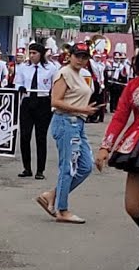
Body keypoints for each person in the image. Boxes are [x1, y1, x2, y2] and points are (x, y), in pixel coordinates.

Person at [96, 41, 139, 270]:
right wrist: (105, 146)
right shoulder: (134, 84)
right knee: (132, 206)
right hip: (134, 146)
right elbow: (120, 116)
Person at [35, 43, 100, 225]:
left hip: (78, 122)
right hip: (66, 121)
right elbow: (55, 101)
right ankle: (62, 209)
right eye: (77, 55)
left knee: (85, 166)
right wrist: (82, 109)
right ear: (70, 56)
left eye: (84, 57)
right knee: (68, 167)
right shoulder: (64, 73)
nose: (81, 60)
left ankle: (52, 195)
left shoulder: (83, 74)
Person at [14, 42, 59, 180]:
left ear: (41, 54)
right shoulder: (23, 67)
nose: (32, 56)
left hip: (43, 102)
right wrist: (20, 88)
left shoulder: (51, 68)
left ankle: (40, 170)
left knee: (41, 137)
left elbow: (55, 85)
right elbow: (17, 82)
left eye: (35, 53)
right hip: (27, 102)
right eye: (31, 53)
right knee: (25, 136)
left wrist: (53, 94)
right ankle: (27, 168)